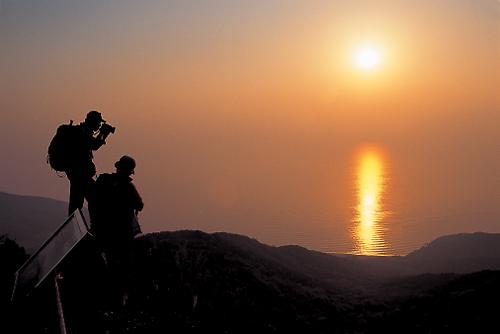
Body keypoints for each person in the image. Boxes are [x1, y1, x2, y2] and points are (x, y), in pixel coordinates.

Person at [90, 155, 144, 306]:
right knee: (122, 266)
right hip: (122, 233)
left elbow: (93, 200)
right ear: (129, 171)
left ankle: (103, 294)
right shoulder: (128, 187)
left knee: (104, 261)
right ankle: (118, 299)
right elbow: (140, 205)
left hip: (103, 229)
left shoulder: (103, 181)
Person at [65, 110, 113, 215]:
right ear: (93, 122)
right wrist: (103, 133)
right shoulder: (82, 132)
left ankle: (76, 225)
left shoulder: (82, 131)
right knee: (93, 200)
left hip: (78, 174)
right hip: (80, 174)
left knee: (78, 203)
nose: (99, 125)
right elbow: (94, 145)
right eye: (99, 123)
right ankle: (82, 227)